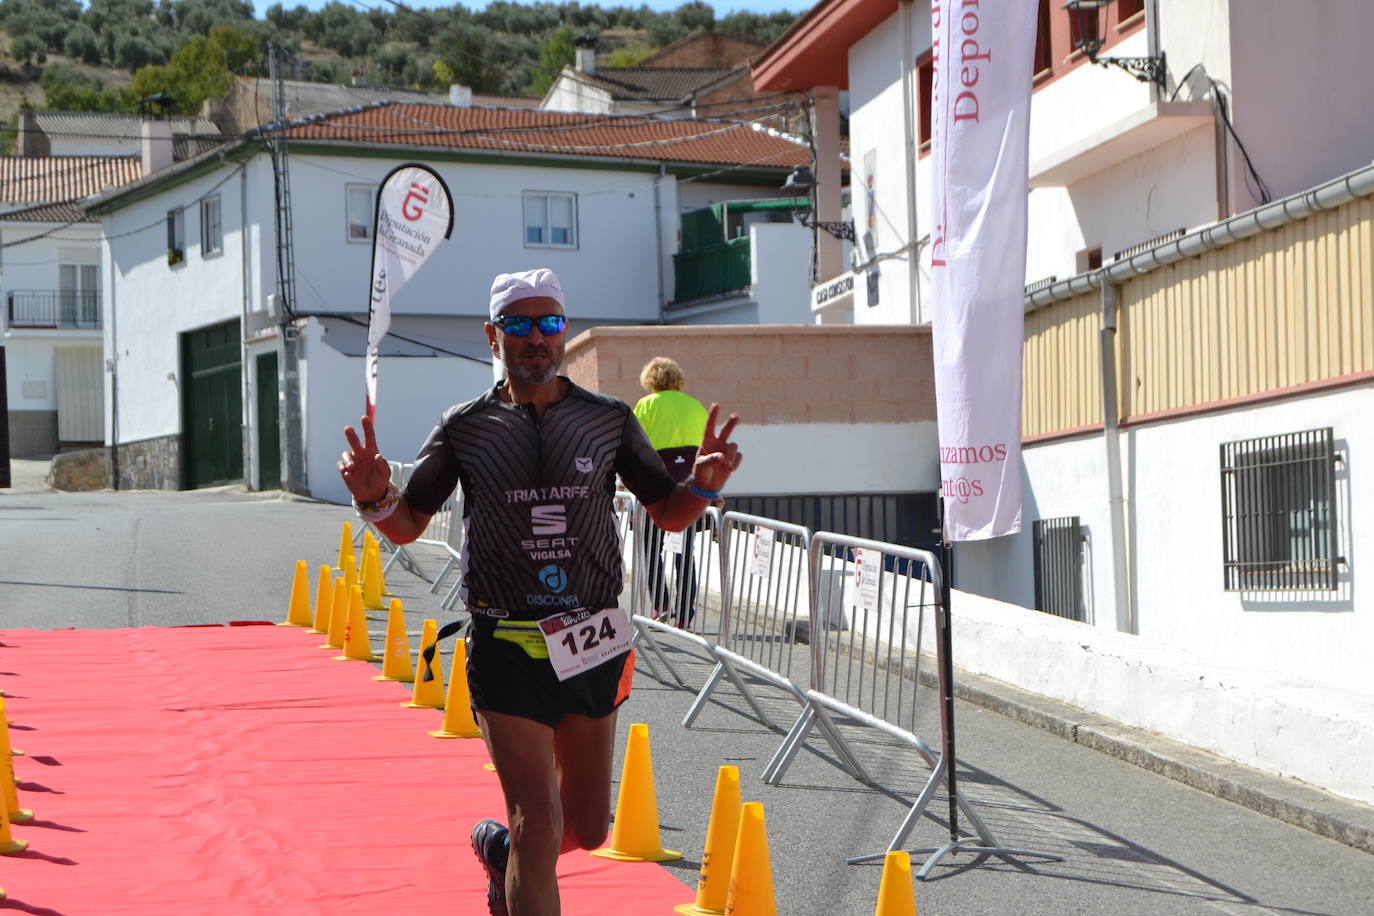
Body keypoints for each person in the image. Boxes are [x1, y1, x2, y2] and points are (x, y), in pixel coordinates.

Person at [336, 268, 742, 916]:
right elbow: (408, 523)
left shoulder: (606, 420)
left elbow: (666, 512)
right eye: (519, 325)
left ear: (565, 333)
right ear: (494, 335)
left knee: (587, 829)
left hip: (591, 645)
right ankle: (518, 848)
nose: (535, 338)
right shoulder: (466, 427)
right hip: (506, 647)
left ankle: (504, 858)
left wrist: (702, 487)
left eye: (548, 323)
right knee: (535, 819)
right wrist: (372, 497)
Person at [632, 357, 711, 628]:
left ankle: (661, 605)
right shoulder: (695, 406)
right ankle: (686, 616)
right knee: (685, 552)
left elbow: (634, 446)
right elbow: (707, 449)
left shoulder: (646, 405)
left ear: (649, 380)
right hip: (689, 488)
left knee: (652, 549)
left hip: (656, 487)